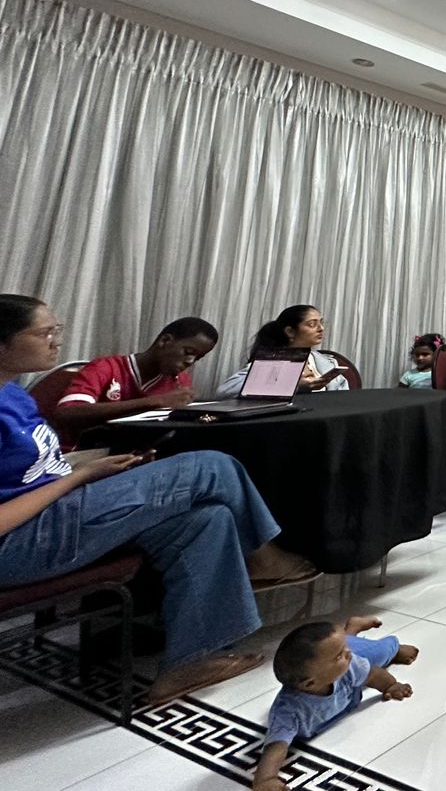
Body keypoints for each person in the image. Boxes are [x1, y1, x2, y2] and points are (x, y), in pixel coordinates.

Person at [0, 294, 319, 706]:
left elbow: (35, 470)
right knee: (212, 467)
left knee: (209, 518)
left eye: (56, 330)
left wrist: (97, 470)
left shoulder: (14, 394)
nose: (56, 341)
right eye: (45, 333)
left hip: (57, 510)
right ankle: (263, 556)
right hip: (20, 542)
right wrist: (80, 477)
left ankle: (188, 662)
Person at [253, 615, 419, 791]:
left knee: (381, 653)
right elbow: (276, 745)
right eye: (339, 655)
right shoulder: (289, 711)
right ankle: (350, 632)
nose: (348, 654)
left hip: (358, 651)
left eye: (344, 650)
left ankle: (390, 645)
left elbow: (372, 674)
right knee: (350, 648)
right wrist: (266, 779)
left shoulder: (350, 663)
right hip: (340, 649)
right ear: (310, 684)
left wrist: (391, 685)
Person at [53, 316, 219, 447]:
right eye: (188, 352)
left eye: (198, 357)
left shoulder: (180, 381)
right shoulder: (106, 367)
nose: (190, 361)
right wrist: (155, 402)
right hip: (87, 454)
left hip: (137, 454)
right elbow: (67, 413)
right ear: (165, 341)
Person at [217, 305, 349, 399]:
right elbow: (226, 390)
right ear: (290, 331)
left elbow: (344, 397)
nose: (321, 328)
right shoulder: (271, 360)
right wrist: (292, 384)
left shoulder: (327, 362)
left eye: (321, 323)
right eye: (311, 324)